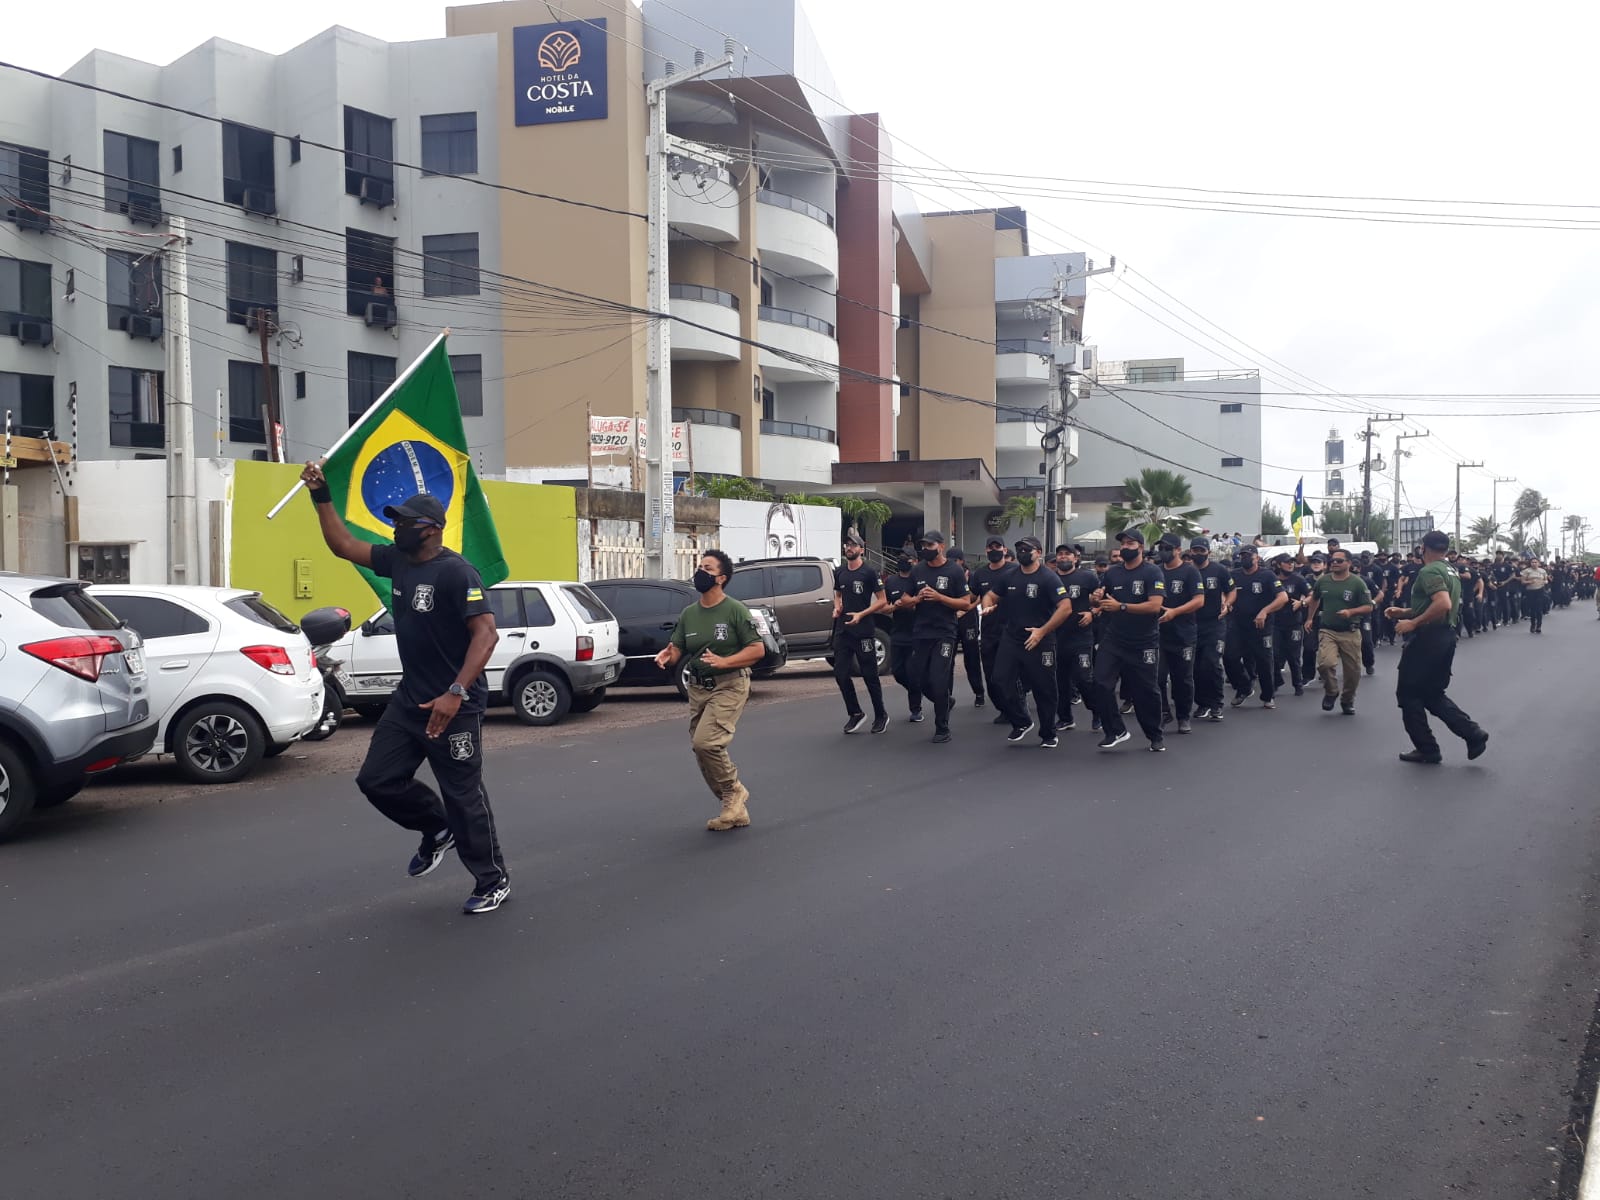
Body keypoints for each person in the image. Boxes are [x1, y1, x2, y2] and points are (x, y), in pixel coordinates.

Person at [297, 465, 508, 915]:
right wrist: (321, 495)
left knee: (463, 793)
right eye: (395, 521)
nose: (396, 528)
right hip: (410, 699)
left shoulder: (457, 573)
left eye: (404, 522)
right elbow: (342, 545)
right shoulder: (397, 562)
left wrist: (455, 692)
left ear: (431, 529)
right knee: (377, 780)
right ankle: (436, 829)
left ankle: (492, 880)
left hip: (455, 705)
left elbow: (485, 635)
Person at [654, 549, 767, 830]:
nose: (700, 572)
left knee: (707, 742)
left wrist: (725, 661)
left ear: (721, 578)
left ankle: (734, 791)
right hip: (697, 689)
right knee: (701, 749)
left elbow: (757, 649)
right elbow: (678, 647)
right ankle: (734, 808)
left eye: (707, 568)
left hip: (730, 684)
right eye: (699, 566)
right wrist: (668, 655)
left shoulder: (735, 610)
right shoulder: (689, 614)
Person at [1384, 530, 1489, 765]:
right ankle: (1472, 733)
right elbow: (1436, 604)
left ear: (1423, 548)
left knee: (1409, 694)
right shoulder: (1450, 569)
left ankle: (1427, 748)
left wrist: (1413, 622)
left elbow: (1442, 603)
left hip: (1428, 638)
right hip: (1445, 636)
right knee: (1432, 694)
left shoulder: (1430, 570)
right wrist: (1404, 612)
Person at [983, 537, 1073, 747]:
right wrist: (987, 605)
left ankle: (1048, 733)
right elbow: (990, 595)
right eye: (1019, 549)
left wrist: (1042, 631)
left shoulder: (1048, 578)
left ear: (1038, 553)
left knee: (1045, 688)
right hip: (1012, 638)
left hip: (1040, 639)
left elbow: (1066, 607)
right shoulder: (1009, 576)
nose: (1022, 552)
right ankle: (1021, 721)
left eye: (1027, 549)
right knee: (999, 681)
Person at [1092, 529, 1168, 751]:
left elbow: (1155, 606)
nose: (1125, 547)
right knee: (1100, 683)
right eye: (1123, 544)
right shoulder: (1113, 573)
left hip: (1144, 642)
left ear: (1141, 548)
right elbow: (1101, 600)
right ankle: (1115, 730)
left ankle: (1155, 734)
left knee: (1146, 691)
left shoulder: (1152, 572)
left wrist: (1122, 607)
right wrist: (1095, 599)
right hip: (1114, 639)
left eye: (1130, 544)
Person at [905, 531, 970, 744]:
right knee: (916, 677)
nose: (926, 549)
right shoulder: (917, 570)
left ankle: (942, 727)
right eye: (923, 545)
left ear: (940, 546)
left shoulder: (954, 570)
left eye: (930, 545)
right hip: (921, 632)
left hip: (945, 632)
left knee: (938, 678)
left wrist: (939, 597)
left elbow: (965, 603)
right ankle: (945, 700)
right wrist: (916, 598)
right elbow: (905, 599)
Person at [831, 533, 889, 735]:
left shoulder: (869, 573)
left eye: (853, 545)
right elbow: (837, 593)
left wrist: (862, 614)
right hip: (843, 629)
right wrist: (837, 607)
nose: (849, 547)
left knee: (870, 675)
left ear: (862, 550)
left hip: (863, 630)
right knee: (840, 673)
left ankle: (881, 714)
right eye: (847, 545)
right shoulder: (840, 572)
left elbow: (882, 601)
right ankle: (855, 713)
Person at [1305, 548, 1373, 714]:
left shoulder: (1357, 583)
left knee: (1353, 672)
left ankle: (1347, 700)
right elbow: (1314, 599)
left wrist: (1351, 612)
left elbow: (1368, 606)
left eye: (1339, 561)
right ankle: (1331, 691)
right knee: (1325, 663)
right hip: (1328, 630)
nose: (1334, 563)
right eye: (1332, 560)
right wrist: (1309, 618)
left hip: (1350, 632)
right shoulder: (1324, 581)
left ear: (1349, 563)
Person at [1225, 545, 1287, 708]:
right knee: (1229, 657)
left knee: (1264, 661)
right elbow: (1225, 592)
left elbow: (1282, 597)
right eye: (1242, 555)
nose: (1244, 558)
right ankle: (1244, 687)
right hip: (1238, 624)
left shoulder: (1267, 575)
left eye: (1248, 556)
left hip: (1261, 625)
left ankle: (1268, 696)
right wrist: (1225, 603)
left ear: (1256, 558)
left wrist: (1265, 611)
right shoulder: (1234, 575)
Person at [1154, 535, 1204, 733]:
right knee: (1156, 677)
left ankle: (1184, 716)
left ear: (1177, 549)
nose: (1163, 551)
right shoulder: (1155, 571)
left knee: (1182, 678)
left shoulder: (1190, 572)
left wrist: (1175, 611)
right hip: (1158, 634)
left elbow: (1199, 600)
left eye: (1167, 548)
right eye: (1161, 547)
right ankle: (1164, 710)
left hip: (1183, 634)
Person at [969, 536, 1016, 724]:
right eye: (991, 547)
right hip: (988, 630)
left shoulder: (1014, 571)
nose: (994, 550)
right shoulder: (979, 574)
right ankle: (1003, 708)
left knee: (1008, 674)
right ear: (986, 550)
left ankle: (1015, 709)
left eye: (998, 547)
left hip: (1011, 631)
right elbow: (970, 598)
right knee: (991, 676)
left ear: (1005, 550)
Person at [1052, 544, 1099, 730]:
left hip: (1081, 637)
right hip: (1056, 637)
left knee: (1084, 679)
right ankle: (1065, 718)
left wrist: (1092, 613)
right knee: (1060, 681)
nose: (1063, 557)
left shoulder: (1088, 577)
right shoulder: (1050, 578)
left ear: (1075, 558)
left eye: (1067, 554)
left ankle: (1098, 711)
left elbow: (1102, 601)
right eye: (1060, 554)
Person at [1188, 538, 1235, 722]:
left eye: (1201, 550)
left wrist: (1228, 604)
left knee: (1211, 662)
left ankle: (1216, 704)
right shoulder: (1188, 572)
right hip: (1191, 624)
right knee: (1196, 666)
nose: (1198, 554)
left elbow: (1231, 590)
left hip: (1214, 624)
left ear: (1208, 552)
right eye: (1195, 551)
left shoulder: (1219, 570)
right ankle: (1202, 703)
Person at [882, 555, 924, 722]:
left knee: (913, 672)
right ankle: (917, 689)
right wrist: (895, 606)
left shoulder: (919, 580)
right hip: (898, 632)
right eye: (901, 559)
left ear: (914, 561)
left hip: (916, 632)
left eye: (907, 559)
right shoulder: (891, 581)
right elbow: (883, 606)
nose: (904, 562)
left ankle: (916, 709)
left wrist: (911, 603)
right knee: (898, 672)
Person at [949, 548, 988, 709]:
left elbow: (979, 597)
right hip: (951, 620)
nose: (952, 563)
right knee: (948, 659)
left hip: (968, 620)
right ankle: (947, 695)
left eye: (954, 561)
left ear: (961, 561)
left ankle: (979, 692)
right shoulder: (947, 574)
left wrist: (965, 609)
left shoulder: (972, 576)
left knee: (971, 658)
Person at [1272, 553, 1311, 696]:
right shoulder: (1272, 578)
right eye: (1287, 562)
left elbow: (1312, 595)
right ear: (1278, 564)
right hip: (1275, 623)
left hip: (1294, 623)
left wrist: (1302, 602)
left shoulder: (1298, 579)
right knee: (1274, 654)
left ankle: (1298, 684)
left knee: (1293, 655)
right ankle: (1276, 682)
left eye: (1292, 562)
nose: (1290, 565)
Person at [1520, 556, 1550, 633]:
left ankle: (1539, 626)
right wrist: (1529, 582)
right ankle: (1533, 624)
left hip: (1540, 591)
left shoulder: (1542, 571)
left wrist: (1544, 582)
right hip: (1530, 591)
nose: (1534, 564)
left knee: (1539, 609)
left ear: (1538, 563)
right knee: (1532, 609)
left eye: (1535, 562)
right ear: (1530, 563)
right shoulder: (1526, 571)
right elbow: (1522, 582)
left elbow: (1546, 580)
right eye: (1532, 562)